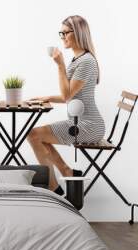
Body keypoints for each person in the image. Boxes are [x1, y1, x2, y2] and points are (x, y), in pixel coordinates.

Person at [27, 15, 105, 195]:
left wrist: (60, 65)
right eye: (60, 33)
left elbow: (67, 95)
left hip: (88, 125)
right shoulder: (79, 59)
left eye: (65, 33)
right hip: (81, 123)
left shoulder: (86, 61)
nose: (62, 37)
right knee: (36, 136)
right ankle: (66, 173)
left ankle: (53, 188)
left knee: (33, 134)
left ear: (77, 33)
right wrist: (43, 97)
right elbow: (68, 96)